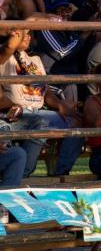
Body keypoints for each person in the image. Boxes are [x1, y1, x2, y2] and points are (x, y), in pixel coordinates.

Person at [0, 27, 83, 176]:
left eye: (29, 34)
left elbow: (46, 92)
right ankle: (23, 173)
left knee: (75, 123)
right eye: (22, 34)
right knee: (42, 122)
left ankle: (60, 174)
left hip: (39, 111)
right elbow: (9, 47)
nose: (27, 37)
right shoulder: (4, 57)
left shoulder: (36, 60)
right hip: (16, 112)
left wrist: (60, 106)